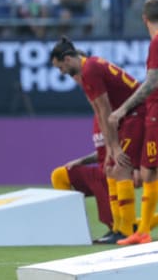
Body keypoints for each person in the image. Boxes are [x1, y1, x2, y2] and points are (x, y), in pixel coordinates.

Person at [109, 0, 158, 244]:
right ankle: (143, 230)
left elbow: (153, 81)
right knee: (148, 172)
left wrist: (123, 108)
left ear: (144, 19)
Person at [50, 39, 146, 243]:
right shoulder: (90, 68)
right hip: (128, 117)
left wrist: (114, 147)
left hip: (137, 114)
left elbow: (105, 110)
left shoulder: (90, 70)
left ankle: (128, 230)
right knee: (111, 169)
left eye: (61, 67)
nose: (61, 72)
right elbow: (99, 110)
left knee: (120, 168)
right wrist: (111, 147)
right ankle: (119, 228)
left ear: (68, 59)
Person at [50, 116, 114, 242]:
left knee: (119, 223)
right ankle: (72, 229)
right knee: (60, 174)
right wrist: (82, 161)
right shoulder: (99, 116)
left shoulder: (115, 114)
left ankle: (157, 219)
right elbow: (104, 152)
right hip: (103, 170)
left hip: (120, 171)